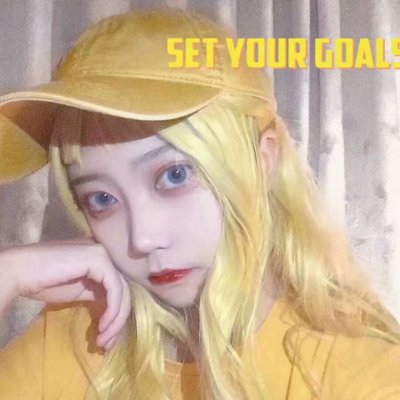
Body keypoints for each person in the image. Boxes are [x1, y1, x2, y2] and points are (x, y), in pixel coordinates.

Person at [0, 9, 399, 400]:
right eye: (101, 199)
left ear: (262, 161)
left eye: (175, 175)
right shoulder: (75, 334)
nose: (143, 239)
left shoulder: (361, 374)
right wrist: (7, 274)